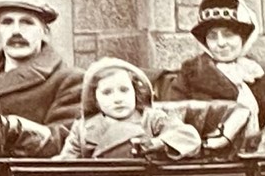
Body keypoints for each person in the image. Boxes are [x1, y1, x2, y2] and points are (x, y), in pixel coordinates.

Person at [0, 0, 82, 157]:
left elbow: (65, 141)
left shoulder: (70, 80)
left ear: (45, 32)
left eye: (27, 23)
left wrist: (11, 128)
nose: (16, 31)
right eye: (7, 22)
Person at [156, 0, 265, 127]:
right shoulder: (190, 76)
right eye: (212, 36)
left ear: (243, 37)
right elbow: (174, 123)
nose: (221, 43)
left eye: (228, 34)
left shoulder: (262, 75)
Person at [56, 58, 203, 160]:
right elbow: (66, 163)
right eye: (107, 93)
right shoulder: (83, 128)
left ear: (135, 92)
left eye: (124, 90)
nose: (118, 98)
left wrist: (157, 143)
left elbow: (189, 137)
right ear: (95, 99)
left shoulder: (152, 119)